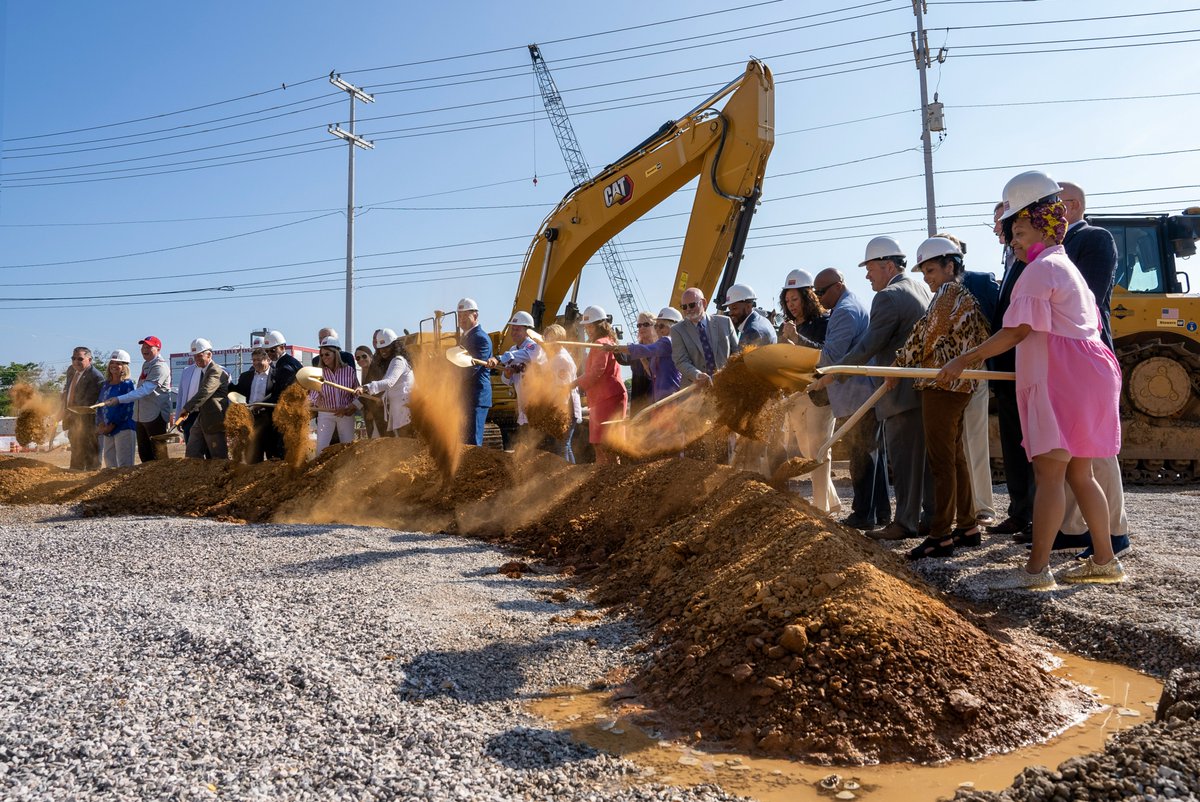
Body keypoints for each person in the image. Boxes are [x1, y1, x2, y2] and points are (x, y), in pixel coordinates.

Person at [939, 170, 1126, 589]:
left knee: (1049, 476)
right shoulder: (1065, 265)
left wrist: (964, 360)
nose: (1013, 242)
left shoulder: (1040, 270)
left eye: (1019, 231)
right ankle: (1105, 559)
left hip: (1061, 378)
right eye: (1011, 234)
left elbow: (1017, 331)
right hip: (1089, 375)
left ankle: (1037, 571)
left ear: (1042, 223)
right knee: (1082, 474)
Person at [893, 237, 992, 559]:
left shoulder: (949, 294)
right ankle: (967, 526)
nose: (927, 277)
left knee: (941, 462)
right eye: (924, 272)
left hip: (941, 386)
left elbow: (926, 337)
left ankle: (940, 535)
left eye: (932, 269)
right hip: (957, 387)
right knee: (955, 458)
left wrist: (896, 365)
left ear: (951, 266)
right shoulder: (960, 295)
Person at [837, 235, 934, 541]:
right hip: (923, 390)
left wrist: (835, 371)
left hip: (900, 395)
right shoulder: (919, 287)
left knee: (904, 463)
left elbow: (869, 344)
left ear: (888, 265)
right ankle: (929, 518)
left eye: (870, 268)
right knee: (926, 464)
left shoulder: (889, 296)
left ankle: (905, 523)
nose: (866, 275)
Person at [1058, 181, 1132, 560]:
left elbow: (1087, 296)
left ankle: (1115, 531)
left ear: (1070, 206)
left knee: (1096, 447)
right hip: (1063, 355)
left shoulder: (1095, 238)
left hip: (1087, 351)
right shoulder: (1055, 247)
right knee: (1071, 446)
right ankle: (1073, 527)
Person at [807, 269, 889, 529]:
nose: (818, 297)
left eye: (821, 292)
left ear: (838, 286)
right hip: (863, 393)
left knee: (861, 455)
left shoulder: (844, 311)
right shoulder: (851, 305)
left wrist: (799, 363)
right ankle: (880, 512)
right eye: (815, 292)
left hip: (857, 395)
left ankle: (863, 514)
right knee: (872, 453)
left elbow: (831, 356)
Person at [938, 232, 1002, 529]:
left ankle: (983, 507)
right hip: (942, 378)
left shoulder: (979, 282)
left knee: (975, 439)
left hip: (974, 372)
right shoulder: (933, 288)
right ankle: (957, 509)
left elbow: (998, 322)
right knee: (949, 446)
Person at [988, 202, 1036, 538]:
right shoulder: (1010, 261)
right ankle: (1020, 512)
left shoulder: (1034, 263)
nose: (997, 229)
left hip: (1023, 364)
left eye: (1001, 222)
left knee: (1031, 446)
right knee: (1015, 444)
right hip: (1007, 369)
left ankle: (1032, 515)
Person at [776, 269, 840, 515]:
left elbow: (824, 354)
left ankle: (820, 506)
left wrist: (796, 338)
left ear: (808, 296)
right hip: (797, 394)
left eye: (796, 299)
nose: (791, 305)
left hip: (819, 393)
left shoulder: (825, 321)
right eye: (788, 301)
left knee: (820, 449)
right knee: (806, 449)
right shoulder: (791, 326)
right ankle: (832, 501)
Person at [574, 305, 627, 464]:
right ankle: (603, 479)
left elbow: (596, 372)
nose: (588, 330)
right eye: (586, 327)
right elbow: (592, 372)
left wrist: (574, 384)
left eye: (590, 326)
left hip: (609, 398)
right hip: (601, 398)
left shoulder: (601, 343)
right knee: (599, 443)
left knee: (606, 444)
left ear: (599, 325)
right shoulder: (601, 343)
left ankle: (611, 479)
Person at [109, 336, 172, 463]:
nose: (144, 349)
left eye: (149, 347)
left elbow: (145, 390)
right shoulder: (147, 364)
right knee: (145, 453)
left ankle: (162, 480)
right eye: (143, 347)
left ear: (158, 349)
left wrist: (118, 399)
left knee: (158, 454)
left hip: (155, 415)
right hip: (141, 415)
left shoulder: (159, 367)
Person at [607, 307, 683, 403]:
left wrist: (615, 348)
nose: (658, 329)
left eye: (661, 326)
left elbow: (644, 350)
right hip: (658, 400)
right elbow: (652, 375)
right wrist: (643, 359)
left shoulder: (667, 342)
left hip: (670, 399)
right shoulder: (659, 346)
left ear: (673, 327)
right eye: (656, 326)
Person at [487, 311, 545, 435]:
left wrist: (498, 358)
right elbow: (505, 380)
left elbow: (522, 356)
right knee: (527, 442)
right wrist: (507, 374)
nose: (513, 333)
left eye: (517, 329)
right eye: (512, 329)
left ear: (527, 331)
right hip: (523, 406)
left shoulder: (534, 347)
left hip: (538, 404)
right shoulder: (513, 350)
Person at [173, 338, 230, 460]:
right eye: (194, 356)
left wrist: (187, 408)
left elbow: (205, 392)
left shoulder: (216, 371)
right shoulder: (203, 371)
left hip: (215, 420)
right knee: (192, 453)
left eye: (199, 356)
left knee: (218, 458)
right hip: (201, 418)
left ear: (209, 354)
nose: (196, 359)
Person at [671, 287, 739, 387]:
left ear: (703, 303)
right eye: (684, 307)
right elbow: (681, 361)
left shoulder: (725, 323)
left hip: (725, 387)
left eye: (692, 305)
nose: (688, 310)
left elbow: (737, 352)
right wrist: (697, 375)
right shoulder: (677, 330)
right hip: (695, 391)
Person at [358, 329, 415, 438]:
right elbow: (391, 387)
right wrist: (384, 398)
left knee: (406, 444)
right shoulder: (392, 362)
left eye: (387, 347)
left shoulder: (398, 361)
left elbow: (389, 382)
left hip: (406, 411)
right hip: (400, 411)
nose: (383, 351)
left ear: (395, 346)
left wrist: (366, 387)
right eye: (381, 348)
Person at [309, 336, 359, 456]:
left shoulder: (349, 371)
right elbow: (314, 394)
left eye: (327, 354)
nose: (324, 358)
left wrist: (349, 407)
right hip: (326, 413)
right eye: (322, 355)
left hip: (345, 413)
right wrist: (313, 401)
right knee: (321, 447)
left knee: (348, 446)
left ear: (336, 353)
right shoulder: (319, 373)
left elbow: (356, 392)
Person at [542, 324, 583, 462]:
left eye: (550, 339)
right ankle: (571, 474)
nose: (547, 342)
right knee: (565, 445)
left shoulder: (561, 359)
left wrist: (558, 411)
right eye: (546, 339)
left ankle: (567, 476)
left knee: (563, 445)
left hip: (565, 406)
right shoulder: (557, 357)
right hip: (564, 405)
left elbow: (563, 388)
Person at [60, 346, 104, 470]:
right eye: (73, 358)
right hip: (71, 418)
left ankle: (92, 475)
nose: (75, 362)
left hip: (88, 420)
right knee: (76, 448)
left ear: (89, 360)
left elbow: (92, 402)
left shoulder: (96, 377)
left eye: (80, 359)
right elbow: (68, 389)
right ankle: (75, 470)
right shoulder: (71, 370)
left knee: (90, 451)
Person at [457, 298, 493, 446]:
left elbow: (471, 368)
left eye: (465, 316)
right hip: (467, 397)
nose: (462, 319)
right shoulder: (466, 337)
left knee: (472, 443)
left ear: (475, 316)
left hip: (476, 397)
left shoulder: (480, 338)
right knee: (465, 441)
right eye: (459, 316)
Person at [263, 330, 302, 460]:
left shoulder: (286, 366)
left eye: (272, 350)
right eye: (267, 351)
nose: (269, 354)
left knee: (283, 451)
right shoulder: (285, 363)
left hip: (287, 415)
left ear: (282, 347)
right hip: (289, 413)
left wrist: (262, 405)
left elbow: (283, 394)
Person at [232, 347, 276, 463]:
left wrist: (261, 405)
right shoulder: (245, 377)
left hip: (268, 418)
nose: (256, 363)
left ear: (268, 360)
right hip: (250, 418)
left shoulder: (276, 376)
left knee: (272, 453)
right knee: (252, 453)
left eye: (259, 360)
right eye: (254, 360)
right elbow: (238, 392)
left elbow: (277, 395)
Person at [96, 350, 136, 468]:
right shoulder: (105, 385)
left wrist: (112, 425)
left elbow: (126, 407)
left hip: (123, 428)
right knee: (110, 463)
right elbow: (100, 404)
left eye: (118, 363)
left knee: (125, 465)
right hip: (107, 429)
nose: (114, 365)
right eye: (112, 362)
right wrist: (101, 424)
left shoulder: (127, 384)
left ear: (124, 367)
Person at [618, 311, 658, 415]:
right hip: (638, 401)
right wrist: (614, 346)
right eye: (639, 325)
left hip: (656, 399)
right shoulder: (635, 349)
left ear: (655, 326)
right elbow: (623, 359)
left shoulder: (661, 348)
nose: (641, 328)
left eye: (645, 324)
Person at [356, 342, 388, 439]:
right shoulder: (364, 371)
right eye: (358, 358)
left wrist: (371, 410)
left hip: (380, 414)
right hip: (372, 415)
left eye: (364, 356)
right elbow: (364, 396)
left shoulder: (376, 370)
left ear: (370, 356)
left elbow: (381, 391)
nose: (361, 359)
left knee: (381, 441)